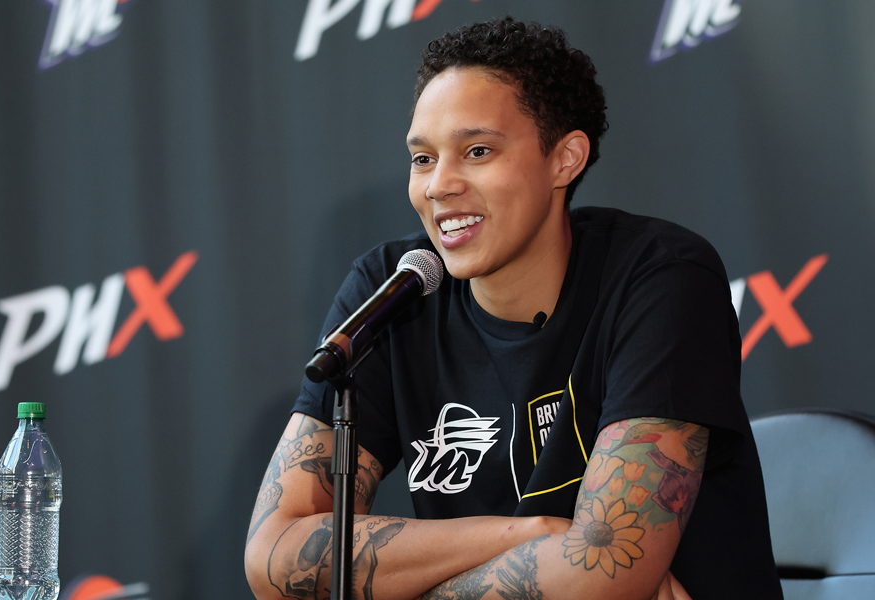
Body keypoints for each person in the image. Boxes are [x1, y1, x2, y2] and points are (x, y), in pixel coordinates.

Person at [243, 16, 782, 600]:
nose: (439, 185)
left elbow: (605, 569)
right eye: (422, 159)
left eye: (477, 151)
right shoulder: (394, 290)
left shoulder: (660, 276)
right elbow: (275, 559)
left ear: (565, 159)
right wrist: (532, 535)